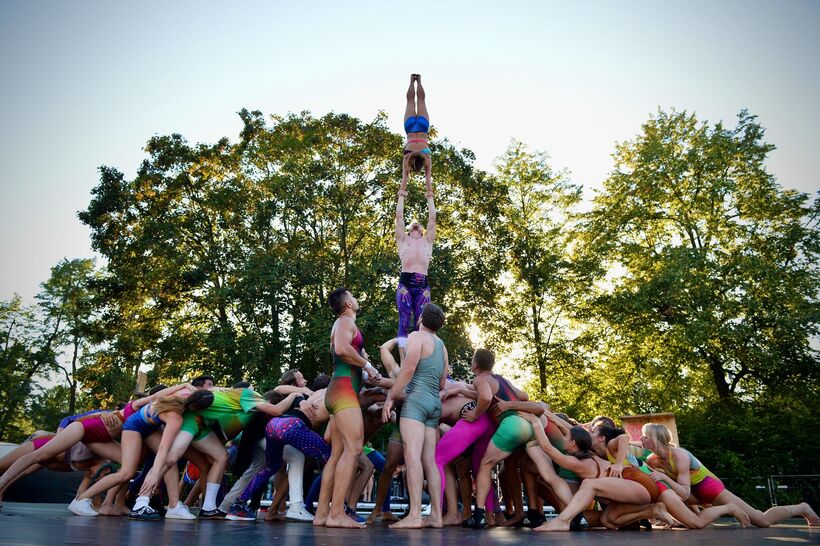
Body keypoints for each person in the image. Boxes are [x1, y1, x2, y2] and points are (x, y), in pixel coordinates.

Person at [462, 352, 573, 529]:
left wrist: (475, 414)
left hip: (513, 424)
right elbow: (524, 396)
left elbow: (485, 397)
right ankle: (576, 516)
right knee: (548, 474)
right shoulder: (501, 380)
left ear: (475, 366)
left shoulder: (480, 379)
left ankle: (479, 515)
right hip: (531, 425)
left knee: (485, 465)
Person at [641, 423, 820, 527]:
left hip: (708, 488)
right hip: (692, 494)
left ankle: (802, 508)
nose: (641, 439)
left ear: (656, 438)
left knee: (761, 520)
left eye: (644, 436)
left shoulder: (679, 455)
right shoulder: (652, 460)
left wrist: (664, 477)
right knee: (664, 492)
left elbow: (684, 493)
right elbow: (678, 492)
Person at [67, 384, 197, 520]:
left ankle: (174, 506)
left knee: (171, 462)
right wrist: (154, 474)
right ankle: (81, 499)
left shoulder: (184, 393)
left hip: (149, 427)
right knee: (127, 472)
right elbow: (163, 448)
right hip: (133, 427)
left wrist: (185, 384)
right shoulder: (174, 416)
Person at [314, 288, 381, 528]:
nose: (357, 298)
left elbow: (347, 356)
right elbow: (342, 349)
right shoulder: (344, 321)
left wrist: (366, 371)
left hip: (340, 390)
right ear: (348, 303)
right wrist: (368, 365)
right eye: (354, 295)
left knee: (338, 454)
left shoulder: (344, 323)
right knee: (354, 449)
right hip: (342, 392)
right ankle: (337, 514)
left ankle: (322, 514)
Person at [382, 303, 447, 528]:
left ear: (420, 318)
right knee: (430, 460)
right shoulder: (441, 345)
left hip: (416, 402)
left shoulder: (417, 337)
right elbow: (442, 382)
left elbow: (408, 370)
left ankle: (415, 515)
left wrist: (391, 397)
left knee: (412, 456)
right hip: (434, 404)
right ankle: (437, 516)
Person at [395, 167, 435, 360]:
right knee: (404, 318)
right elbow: (399, 217)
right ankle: (403, 358)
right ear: (410, 230)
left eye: (419, 226)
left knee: (423, 321)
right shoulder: (403, 240)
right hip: (406, 282)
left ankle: (425, 356)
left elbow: (432, 218)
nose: (416, 226)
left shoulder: (428, 242)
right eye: (413, 226)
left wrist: (430, 196)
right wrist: (402, 193)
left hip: (423, 284)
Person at [403, 73, 432, 175]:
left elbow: (428, 177)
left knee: (421, 100)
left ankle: (418, 81)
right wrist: (402, 189)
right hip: (410, 128)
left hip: (422, 128)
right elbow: (405, 177)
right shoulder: (407, 155)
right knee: (410, 101)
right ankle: (412, 81)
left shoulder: (426, 155)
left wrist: (430, 191)